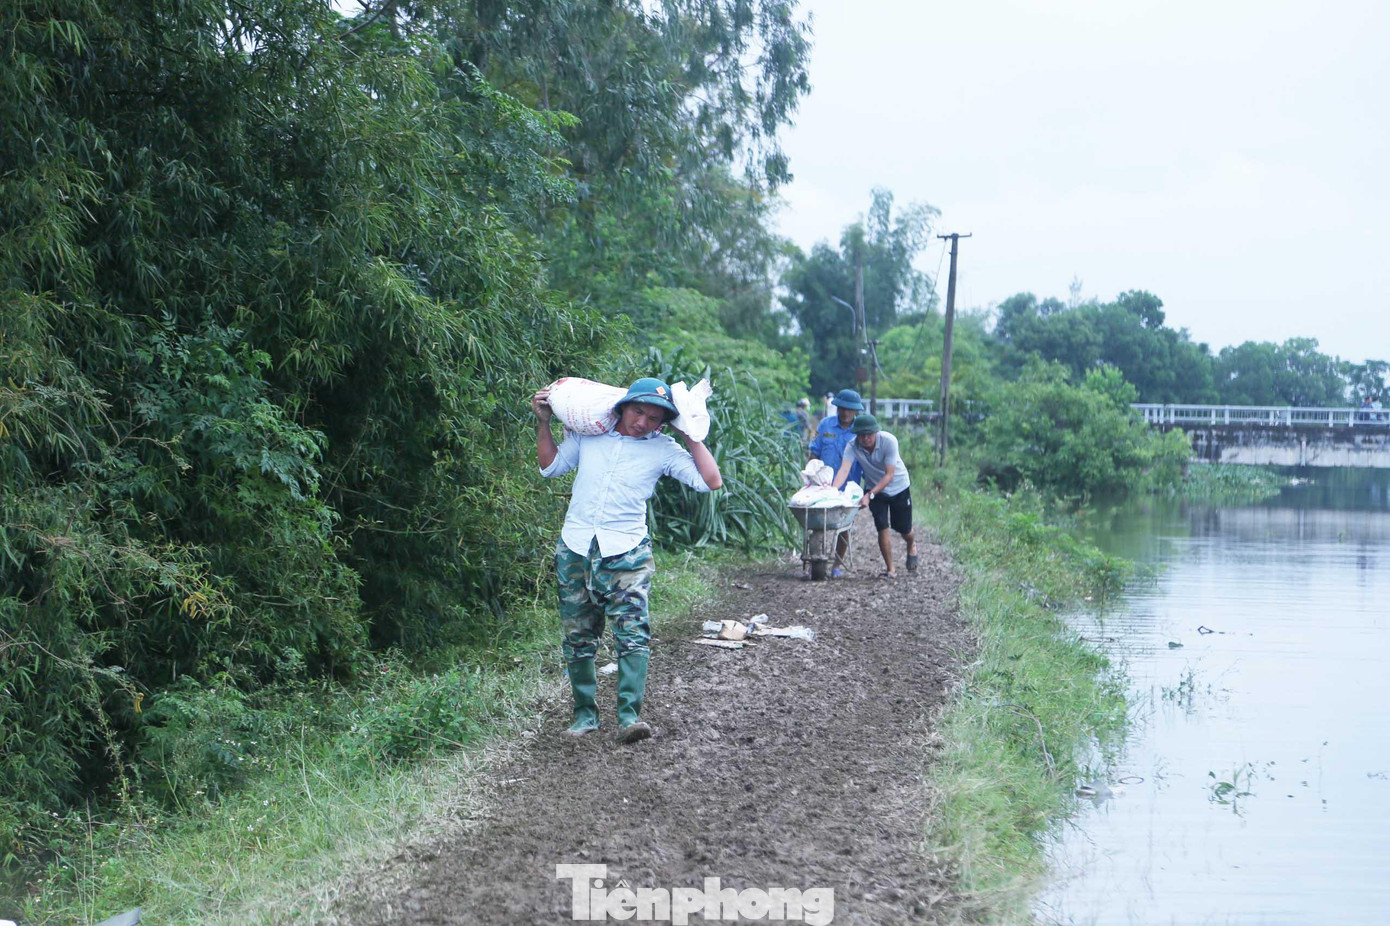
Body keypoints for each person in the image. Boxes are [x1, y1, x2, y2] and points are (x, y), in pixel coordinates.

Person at [533, 377, 722, 743]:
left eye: (654, 418)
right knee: (578, 635)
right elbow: (550, 467)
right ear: (623, 407)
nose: (642, 423)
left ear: (664, 423)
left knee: (632, 632)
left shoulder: (663, 449)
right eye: (638, 411)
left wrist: (690, 432)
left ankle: (628, 717)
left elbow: (709, 481)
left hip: (627, 552)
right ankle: (584, 715)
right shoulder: (591, 435)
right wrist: (543, 421)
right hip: (576, 547)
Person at [831, 413, 918, 580]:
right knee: (882, 526)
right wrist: (832, 492)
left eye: (869, 434)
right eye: (861, 435)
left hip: (898, 486)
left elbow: (889, 475)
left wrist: (869, 495)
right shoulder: (852, 446)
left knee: (904, 529)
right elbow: (843, 470)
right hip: (874, 487)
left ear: (876, 432)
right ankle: (890, 569)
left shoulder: (889, 441)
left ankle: (911, 544)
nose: (865, 439)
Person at [807, 389, 865, 577]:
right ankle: (817, 556)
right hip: (823, 485)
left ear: (856, 411)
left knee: (843, 526)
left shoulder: (860, 431)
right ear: (837, 407)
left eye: (850, 409)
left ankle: (837, 565)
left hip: (848, 487)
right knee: (819, 523)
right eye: (842, 408)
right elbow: (814, 451)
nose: (845, 413)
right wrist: (811, 473)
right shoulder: (826, 425)